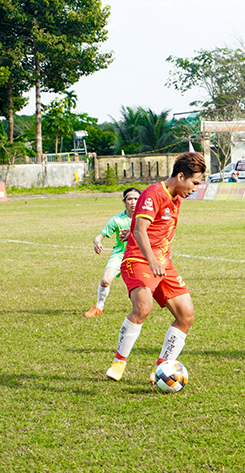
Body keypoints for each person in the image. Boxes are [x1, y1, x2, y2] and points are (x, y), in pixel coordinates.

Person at [106, 152, 206, 382]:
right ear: (181, 176)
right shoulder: (154, 193)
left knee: (186, 316)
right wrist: (151, 260)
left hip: (163, 263)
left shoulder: (176, 198)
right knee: (143, 307)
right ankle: (119, 362)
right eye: (195, 183)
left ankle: (162, 368)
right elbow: (140, 229)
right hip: (139, 259)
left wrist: (159, 261)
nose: (196, 188)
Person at [85, 187, 141, 318]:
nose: (133, 202)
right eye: (130, 199)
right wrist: (98, 243)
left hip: (140, 255)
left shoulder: (145, 217)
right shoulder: (117, 220)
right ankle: (99, 306)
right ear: (124, 201)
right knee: (105, 280)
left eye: (136, 199)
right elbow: (99, 236)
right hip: (121, 254)